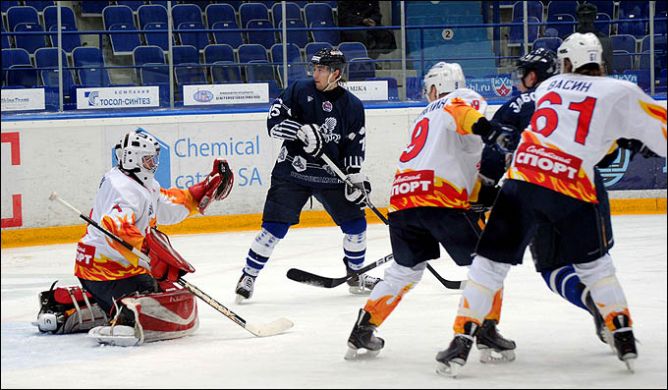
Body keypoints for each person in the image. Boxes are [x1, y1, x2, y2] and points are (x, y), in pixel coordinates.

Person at [436, 33, 667, 376]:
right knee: (597, 266)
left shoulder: (548, 87)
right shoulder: (619, 91)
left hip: (524, 181)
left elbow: (507, 143)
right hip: (576, 186)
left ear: (566, 64)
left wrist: (485, 191)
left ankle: (461, 340)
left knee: (489, 266)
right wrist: (637, 141)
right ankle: (622, 332)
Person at [344, 62, 516, 362]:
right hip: (440, 199)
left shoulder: (425, 114)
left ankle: (363, 329)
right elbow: (463, 116)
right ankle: (486, 329)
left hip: (402, 201)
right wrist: (489, 130)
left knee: (405, 270)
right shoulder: (459, 99)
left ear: (434, 87)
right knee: (489, 263)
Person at [33, 129, 234, 345]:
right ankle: (88, 310)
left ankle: (77, 304)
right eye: (148, 159)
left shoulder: (143, 183)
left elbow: (166, 205)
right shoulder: (122, 188)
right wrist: (151, 255)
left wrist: (200, 192)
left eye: (154, 159)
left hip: (125, 266)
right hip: (103, 270)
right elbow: (115, 228)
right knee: (148, 305)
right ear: (132, 159)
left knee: (166, 295)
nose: (153, 164)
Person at [235, 48, 379, 303]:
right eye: (314, 68)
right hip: (292, 171)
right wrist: (299, 130)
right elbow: (274, 121)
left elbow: (354, 145)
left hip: (331, 176)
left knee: (356, 226)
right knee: (273, 229)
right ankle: (248, 275)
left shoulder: (353, 106)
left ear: (336, 73)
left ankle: (355, 274)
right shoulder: (298, 90)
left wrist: (355, 177)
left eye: (321, 69)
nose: (316, 73)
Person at [576, 2, 613, 74]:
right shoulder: (606, 40)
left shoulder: (606, 41)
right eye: (584, 16)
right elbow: (609, 69)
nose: (585, 19)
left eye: (587, 16)